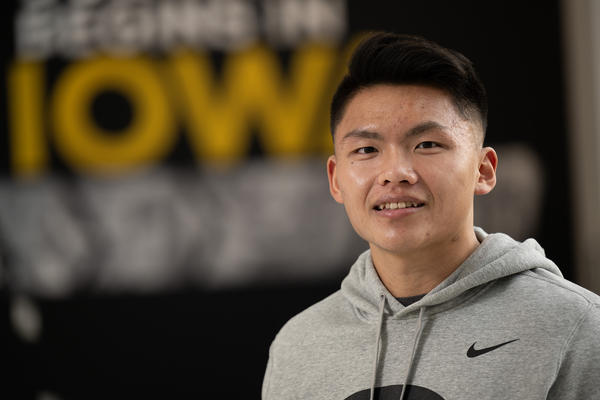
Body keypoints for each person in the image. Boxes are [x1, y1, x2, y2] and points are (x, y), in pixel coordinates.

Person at [261, 32, 600, 400]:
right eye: (366, 149)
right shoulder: (298, 345)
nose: (395, 172)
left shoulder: (575, 326)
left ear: (483, 170)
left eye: (427, 144)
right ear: (336, 179)